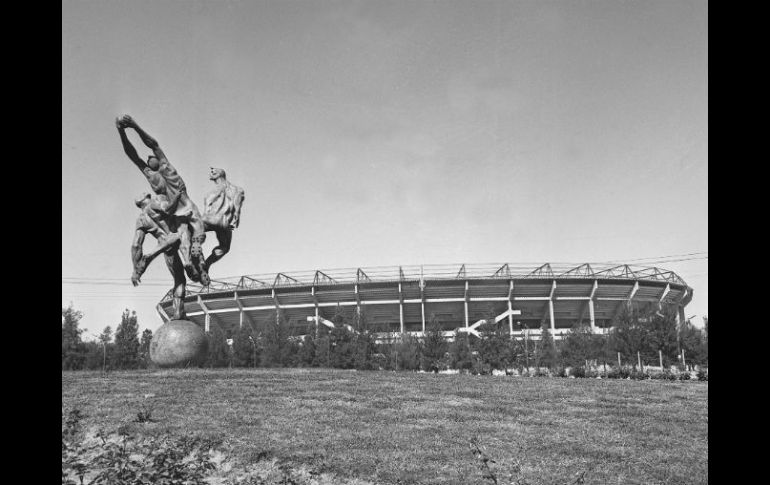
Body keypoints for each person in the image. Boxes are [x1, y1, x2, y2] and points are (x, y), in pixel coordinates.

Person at [116, 115, 210, 285]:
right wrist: (122, 132)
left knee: (193, 241)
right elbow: (133, 155)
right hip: (179, 214)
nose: (148, 158)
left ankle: (199, 269)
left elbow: (153, 145)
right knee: (185, 237)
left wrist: (134, 126)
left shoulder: (166, 167)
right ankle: (195, 267)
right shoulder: (153, 175)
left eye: (150, 157)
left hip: (184, 212)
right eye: (148, 159)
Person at [130, 192, 187, 320]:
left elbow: (136, 245)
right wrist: (176, 197)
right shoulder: (156, 202)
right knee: (182, 277)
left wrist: (136, 269)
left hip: (166, 248)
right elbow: (168, 208)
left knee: (178, 279)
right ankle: (179, 311)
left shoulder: (141, 219)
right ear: (147, 197)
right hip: (177, 236)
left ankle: (152, 254)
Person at [201, 167, 245, 272]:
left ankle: (197, 250)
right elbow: (237, 210)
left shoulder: (212, 192)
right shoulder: (237, 190)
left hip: (208, 219)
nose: (210, 173)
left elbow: (207, 207)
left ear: (218, 175)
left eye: (212, 172)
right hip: (223, 222)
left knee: (193, 230)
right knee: (225, 247)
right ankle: (207, 264)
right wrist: (233, 221)